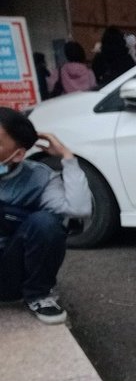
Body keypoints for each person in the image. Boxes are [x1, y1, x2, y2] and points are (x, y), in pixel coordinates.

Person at [0, 107, 92, 324]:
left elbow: (78, 209)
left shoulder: (39, 178)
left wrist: (67, 157)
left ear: (18, 154)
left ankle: (39, 296)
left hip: (10, 272)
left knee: (46, 223)